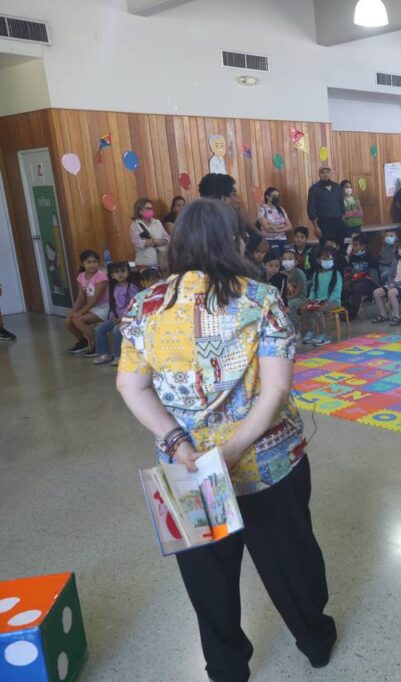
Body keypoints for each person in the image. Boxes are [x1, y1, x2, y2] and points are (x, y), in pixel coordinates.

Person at [116, 199, 336, 681]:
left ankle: (226, 667)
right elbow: (276, 391)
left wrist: (181, 445)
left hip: (187, 471)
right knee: (290, 560)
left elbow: (130, 385)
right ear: (232, 242)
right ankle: (315, 642)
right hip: (268, 462)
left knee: (207, 577)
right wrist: (232, 452)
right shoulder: (261, 299)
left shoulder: (145, 305)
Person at [92, 261, 138, 366]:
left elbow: (135, 307)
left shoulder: (132, 288)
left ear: (128, 272)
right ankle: (104, 354)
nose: (120, 274)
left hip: (131, 318)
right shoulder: (114, 288)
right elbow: (113, 305)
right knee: (100, 328)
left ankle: (118, 356)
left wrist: (123, 319)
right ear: (112, 275)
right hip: (117, 318)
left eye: (123, 271)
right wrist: (113, 317)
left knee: (117, 330)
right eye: (116, 272)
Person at [65, 250, 109, 356]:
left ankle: (96, 345)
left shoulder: (101, 276)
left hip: (104, 307)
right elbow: (80, 297)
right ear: (82, 264)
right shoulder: (81, 276)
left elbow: (96, 299)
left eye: (94, 262)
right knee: (68, 320)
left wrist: (82, 311)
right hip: (92, 307)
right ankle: (84, 342)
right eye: (88, 262)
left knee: (78, 320)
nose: (92, 264)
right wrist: (74, 311)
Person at [368, 238, 401, 325]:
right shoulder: (396, 261)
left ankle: (396, 316)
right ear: (397, 250)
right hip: (394, 284)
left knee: (391, 292)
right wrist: (391, 282)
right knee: (376, 292)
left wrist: (396, 284)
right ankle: (383, 314)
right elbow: (391, 275)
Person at [302, 247, 343, 347]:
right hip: (318, 300)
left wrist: (325, 300)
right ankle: (311, 332)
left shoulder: (336, 274)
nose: (327, 261)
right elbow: (313, 289)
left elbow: (336, 292)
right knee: (305, 309)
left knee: (318, 310)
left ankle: (324, 335)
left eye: (330, 259)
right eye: (324, 259)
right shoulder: (317, 274)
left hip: (333, 301)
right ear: (318, 260)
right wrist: (310, 298)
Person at [129, 197, 171, 270]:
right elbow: (139, 244)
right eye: (147, 208)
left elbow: (167, 239)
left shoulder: (157, 222)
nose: (150, 210)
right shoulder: (135, 226)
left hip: (161, 261)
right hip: (145, 263)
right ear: (140, 211)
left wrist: (158, 241)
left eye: (151, 208)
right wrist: (154, 241)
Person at [306, 166, 345, 244]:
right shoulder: (314, 189)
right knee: (325, 248)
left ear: (330, 174)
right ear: (319, 174)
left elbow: (342, 203)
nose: (325, 174)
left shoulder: (337, 187)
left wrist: (343, 219)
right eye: (323, 172)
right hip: (324, 223)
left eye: (327, 172)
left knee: (341, 246)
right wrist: (315, 227)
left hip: (339, 221)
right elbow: (310, 208)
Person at [280, 248, 307, 339]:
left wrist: (285, 301)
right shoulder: (280, 274)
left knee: (289, 305)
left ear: (295, 262)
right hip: (285, 299)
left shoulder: (300, 274)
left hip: (300, 298)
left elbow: (297, 292)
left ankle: (297, 330)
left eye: (290, 259)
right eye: (285, 259)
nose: (287, 261)